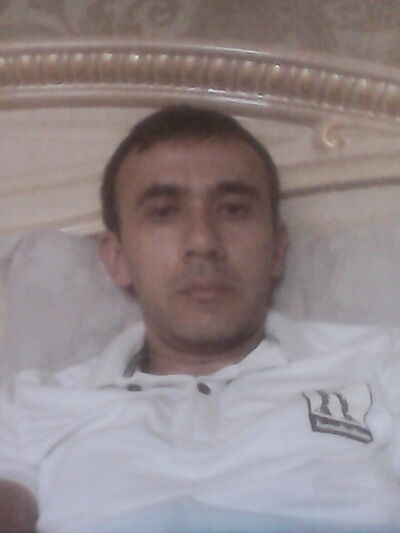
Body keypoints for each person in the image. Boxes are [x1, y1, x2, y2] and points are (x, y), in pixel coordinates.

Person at [0, 106, 399, 533]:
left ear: (277, 249)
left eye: (234, 209)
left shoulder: (379, 364)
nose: (203, 241)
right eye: (164, 212)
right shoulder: (31, 405)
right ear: (117, 258)